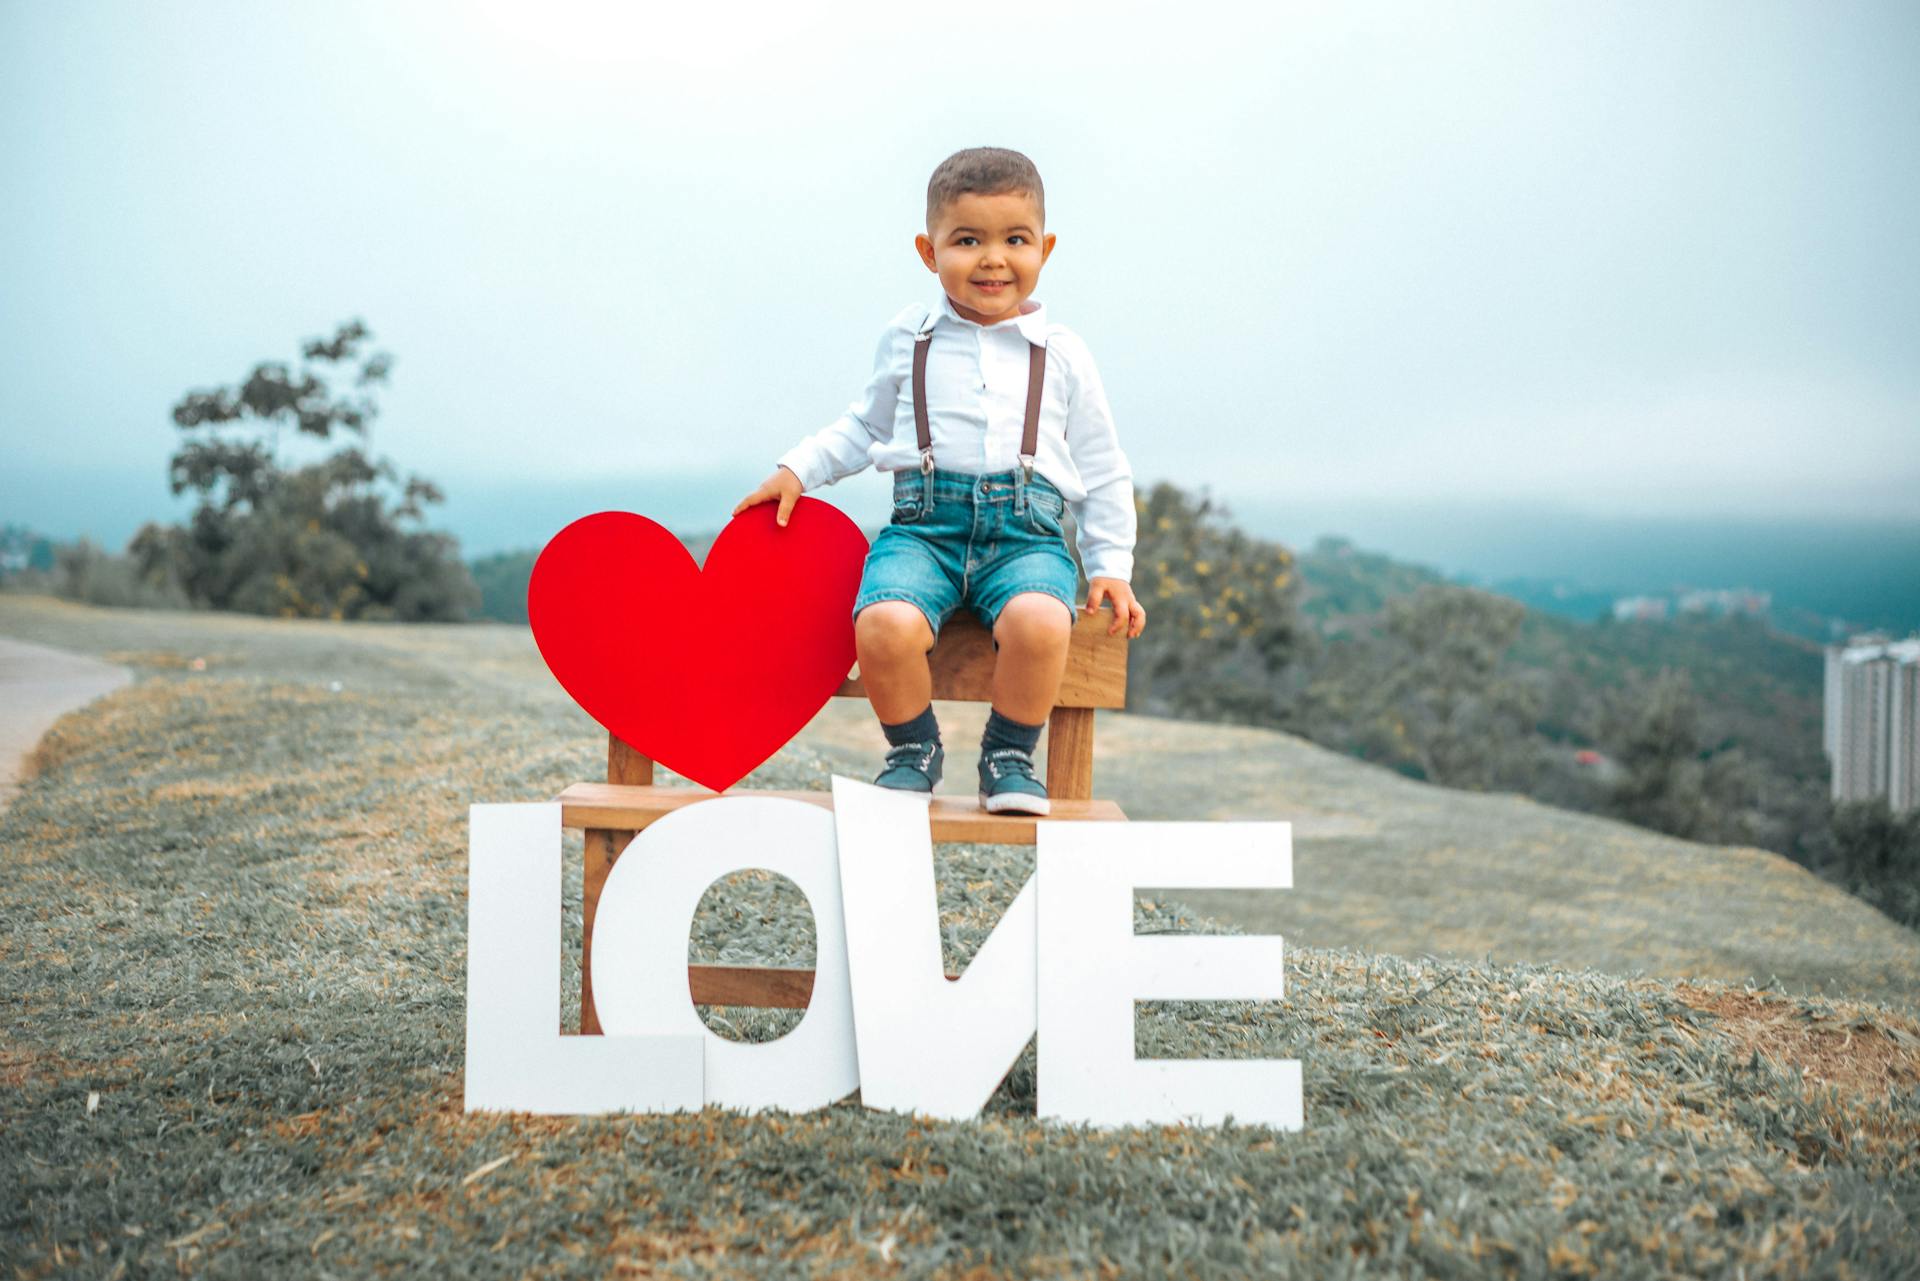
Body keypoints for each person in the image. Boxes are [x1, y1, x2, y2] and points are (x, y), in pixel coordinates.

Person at [733, 146, 1145, 815]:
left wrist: (1112, 565)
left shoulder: (1062, 353)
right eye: (966, 240)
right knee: (883, 624)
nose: (992, 258)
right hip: (924, 530)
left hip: (1025, 536)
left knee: (1042, 621)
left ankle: (1010, 755)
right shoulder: (911, 336)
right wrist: (797, 469)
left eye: (1015, 239)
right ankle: (912, 751)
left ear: (1046, 247)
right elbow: (864, 427)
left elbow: (1102, 466)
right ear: (929, 251)